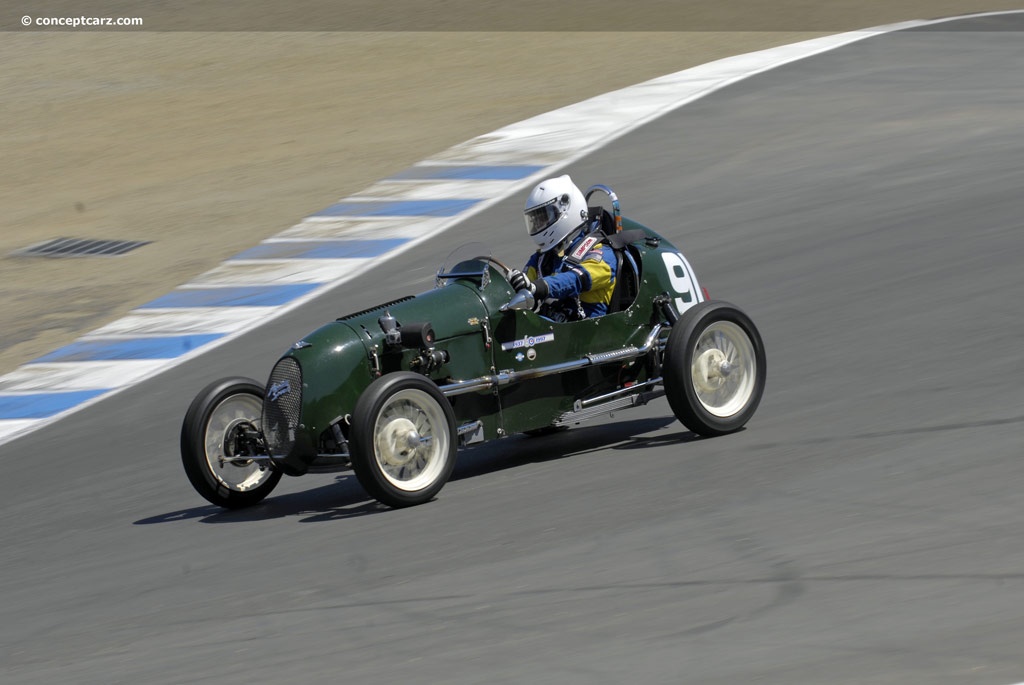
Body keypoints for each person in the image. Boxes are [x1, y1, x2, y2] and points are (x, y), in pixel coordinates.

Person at [508, 175, 617, 321]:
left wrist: (538, 287)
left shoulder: (602, 254)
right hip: (549, 333)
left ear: (566, 210)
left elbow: (575, 280)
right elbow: (526, 283)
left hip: (586, 335)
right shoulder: (542, 259)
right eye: (536, 220)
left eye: (543, 218)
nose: (539, 224)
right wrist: (514, 283)